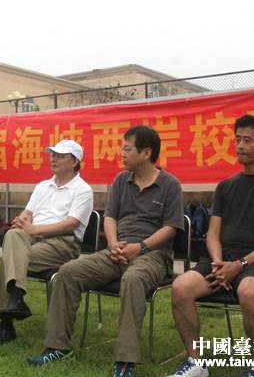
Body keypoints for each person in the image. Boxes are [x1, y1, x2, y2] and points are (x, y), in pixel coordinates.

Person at [26, 126, 184, 376]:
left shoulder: (170, 184)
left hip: (152, 254)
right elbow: (110, 217)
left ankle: (125, 360)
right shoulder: (121, 180)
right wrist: (112, 244)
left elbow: (171, 228)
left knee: (133, 279)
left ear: (146, 153)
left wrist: (140, 247)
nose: (121, 153)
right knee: (68, 272)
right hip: (117, 250)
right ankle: (58, 346)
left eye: (127, 149)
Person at [168, 115, 254, 377]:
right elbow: (213, 233)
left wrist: (240, 265)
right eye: (237, 139)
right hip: (223, 260)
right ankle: (196, 363)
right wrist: (218, 263)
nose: (239, 145)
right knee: (181, 287)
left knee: (249, 292)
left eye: (247, 140)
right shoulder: (226, 186)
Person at [0, 139, 93, 346]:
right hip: (32, 237)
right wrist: (22, 220)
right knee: (13, 235)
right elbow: (28, 213)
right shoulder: (43, 186)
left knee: (10, 260)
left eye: (60, 156)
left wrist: (33, 229)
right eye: (52, 154)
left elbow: (70, 224)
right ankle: (16, 300)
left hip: (62, 243)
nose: (53, 159)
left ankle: (6, 323)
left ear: (74, 161)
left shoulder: (83, 190)